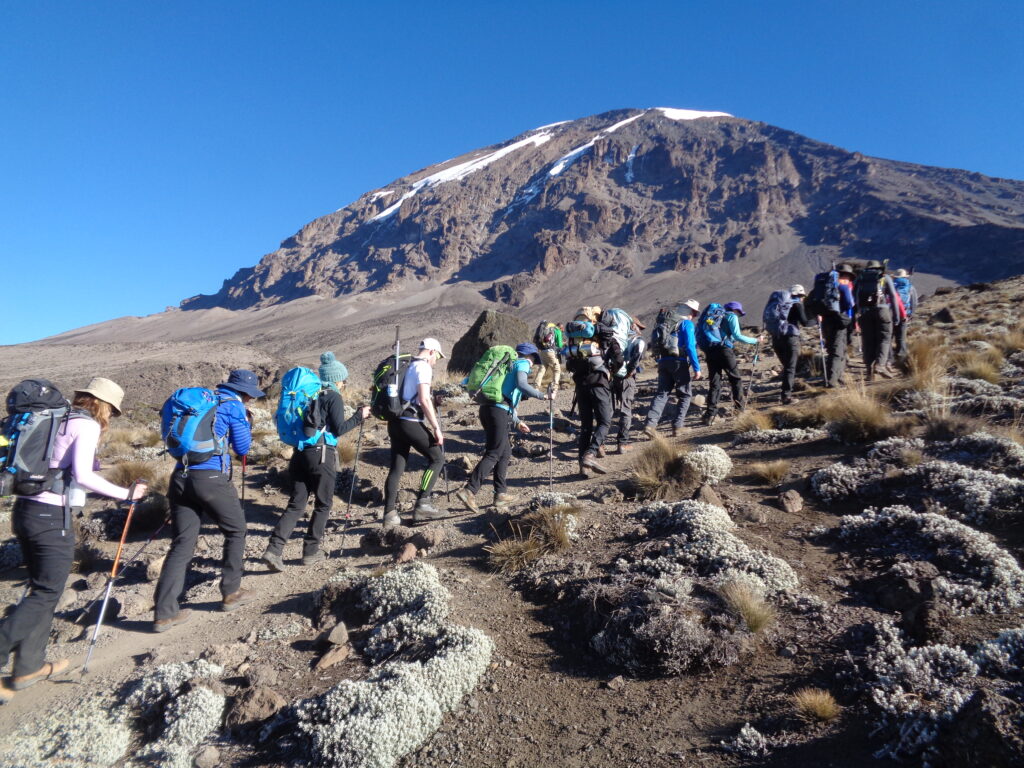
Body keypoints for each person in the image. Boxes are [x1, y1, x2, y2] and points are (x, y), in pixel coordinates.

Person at [0, 378, 147, 702]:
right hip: (52, 520)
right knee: (46, 592)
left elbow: (64, 467)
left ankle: (29, 666)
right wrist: (128, 494)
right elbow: (82, 476)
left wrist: (98, 468)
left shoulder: (56, 419)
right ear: (105, 404)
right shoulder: (87, 425)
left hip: (25, 512)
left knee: (42, 591)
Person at [153, 369, 263, 632]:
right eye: (250, 396)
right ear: (245, 393)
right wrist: (245, 423)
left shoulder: (204, 401)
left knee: (182, 543)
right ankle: (231, 592)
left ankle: (164, 613)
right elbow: (243, 448)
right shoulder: (232, 407)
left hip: (180, 476)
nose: (250, 400)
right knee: (237, 530)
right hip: (210, 478)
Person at [263, 353, 370, 571]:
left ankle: (274, 549)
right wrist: (360, 416)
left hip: (300, 453)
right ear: (336, 378)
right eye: (343, 379)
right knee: (323, 504)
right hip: (321, 454)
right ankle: (311, 552)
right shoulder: (333, 396)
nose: (344, 383)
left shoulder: (310, 394)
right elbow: (339, 429)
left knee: (296, 503)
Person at [455, 343, 551, 511]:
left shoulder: (507, 367)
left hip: (489, 409)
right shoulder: (522, 363)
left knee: (505, 452)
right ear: (531, 357)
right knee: (494, 452)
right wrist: (543, 396)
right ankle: (469, 490)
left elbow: (506, 397)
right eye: (534, 360)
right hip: (498, 411)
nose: (533, 365)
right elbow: (522, 385)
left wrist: (517, 421)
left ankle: (500, 494)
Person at [382, 338, 447, 527]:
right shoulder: (424, 367)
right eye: (438, 357)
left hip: (395, 422)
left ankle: (389, 515)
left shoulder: (405, 366)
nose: (437, 361)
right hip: (411, 422)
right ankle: (423, 503)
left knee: (396, 468)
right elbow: (424, 400)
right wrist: (436, 428)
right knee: (437, 458)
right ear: (432, 351)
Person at [566, 306, 623, 476]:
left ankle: (583, 467)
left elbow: (569, 363)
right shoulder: (604, 335)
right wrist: (611, 372)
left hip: (580, 385)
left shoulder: (574, 338)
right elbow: (618, 358)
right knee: (605, 421)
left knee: (586, 426)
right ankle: (590, 454)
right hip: (599, 383)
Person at [643, 300, 702, 439]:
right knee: (685, 395)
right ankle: (678, 427)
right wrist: (696, 368)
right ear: (690, 312)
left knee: (662, 394)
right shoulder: (686, 324)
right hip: (678, 362)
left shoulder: (666, 323)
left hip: (663, 361)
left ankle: (650, 425)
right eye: (694, 313)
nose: (693, 316)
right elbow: (690, 346)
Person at [701, 302, 763, 424]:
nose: (739, 315)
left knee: (715, 383)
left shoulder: (716, 317)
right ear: (735, 310)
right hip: (724, 351)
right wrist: (755, 340)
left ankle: (710, 415)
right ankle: (739, 410)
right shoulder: (731, 316)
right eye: (739, 313)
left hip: (710, 351)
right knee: (735, 380)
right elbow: (737, 335)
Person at [855, 260, 903, 380]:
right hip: (882, 311)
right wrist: (896, 316)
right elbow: (893, 296)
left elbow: (854, 296)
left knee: (868, 341)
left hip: (865, 313)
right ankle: (880, 365)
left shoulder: (860, 278)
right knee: (885, 339)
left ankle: (869, 372)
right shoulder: (884, 277)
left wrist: (856, 314)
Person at [768, 285, 816, 405]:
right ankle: (786, 396)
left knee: (787, 366)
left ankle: (788, 390)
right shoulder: (797, 305)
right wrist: (817, 320)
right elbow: (805, 322)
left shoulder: (778, 305)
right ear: (799, 295)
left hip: (776, 338)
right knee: (790, 367)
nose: (802, 299)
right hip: (790, 339)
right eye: (802, 296)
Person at [610, 318, 646, 454]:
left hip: (614, 377)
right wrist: (629, 372)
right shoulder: (638, 341)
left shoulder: (618, 340)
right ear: (634, 327)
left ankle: (600, 444)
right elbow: (637, 358)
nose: (641, 331)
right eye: (639, 327)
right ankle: (622, 443)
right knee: (626, 409)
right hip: (627, 378)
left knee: (610, 409)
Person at [820, 264, 857, 387]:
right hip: (839, 321)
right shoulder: (843, 287)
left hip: (825, 321)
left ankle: (838, 377)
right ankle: (832, 381)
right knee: (838, 352)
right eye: (848, 276)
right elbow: (850, 304)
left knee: (832, 350)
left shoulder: (825, 288)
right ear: (844, 276)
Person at [891, 268, 918, 362]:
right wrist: (911, 314)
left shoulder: (890, 286)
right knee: (901, 337)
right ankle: (901, 358)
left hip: (891, 314)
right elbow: (914, 302)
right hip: (904, 315)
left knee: (889, 337)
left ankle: (889, 359)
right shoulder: (910, 287)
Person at [531, 321, 564, 393]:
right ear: (561, 328)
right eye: (562, 329)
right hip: (550, 352)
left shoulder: (547, 329)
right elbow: (560, 345)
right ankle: (554, 387)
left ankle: (535, 387)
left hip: (542, 351)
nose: (562, 331)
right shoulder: (557, 331)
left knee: (542, 369)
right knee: (557, 370)